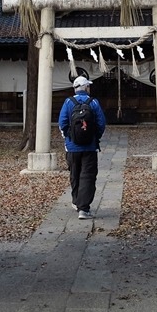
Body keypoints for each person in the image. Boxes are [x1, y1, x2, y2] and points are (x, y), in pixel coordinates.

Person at [58, 75, 107, 219]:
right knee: (88, 176)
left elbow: (62, 123)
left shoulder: (68, 102)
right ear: (86, 88)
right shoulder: (93, 102)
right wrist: (95, 137)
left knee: (74, 174)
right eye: (88, 86)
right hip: (90, 147)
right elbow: (101, 123)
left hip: (72, 147)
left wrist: (69, 137)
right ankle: (84, 208)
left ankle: (76, 201)